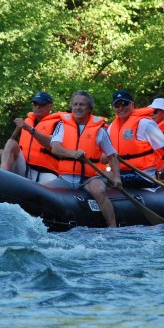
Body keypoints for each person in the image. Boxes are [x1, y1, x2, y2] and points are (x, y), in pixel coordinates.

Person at [49, 90, 122, 228]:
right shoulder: (62, 125)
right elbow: (55, 148)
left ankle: (113, 227)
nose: (77, 108)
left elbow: (112, 155)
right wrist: (73, 154)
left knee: (99, 190)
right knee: (44, 190)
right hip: (65, 178)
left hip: (89, 178)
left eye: (82, 105)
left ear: (90, 109)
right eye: (75, 104)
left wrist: (117, 177)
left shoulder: (99, 130)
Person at [106, 90, 164, 195]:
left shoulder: (145, 124)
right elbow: (104, 157)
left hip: (143, 176)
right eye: (117, 105)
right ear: (113, 108)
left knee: (105, 177)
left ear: (132, 104)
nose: (121, 108)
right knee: (98, 176)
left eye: (124, 103)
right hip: (121, 173)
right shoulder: (111, 128)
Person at [0, 91, 59, 183]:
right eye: (35, 103)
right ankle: (0, 177)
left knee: (52, 190)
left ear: (50, 106)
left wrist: (29, 128)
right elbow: (15, 148)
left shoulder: (57, 123)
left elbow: (51, 143)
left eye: (41, 104)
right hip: (24, 168)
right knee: (10, 143)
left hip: (46, 172)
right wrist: (5, 154)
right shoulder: (27, 121)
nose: (37, 106)